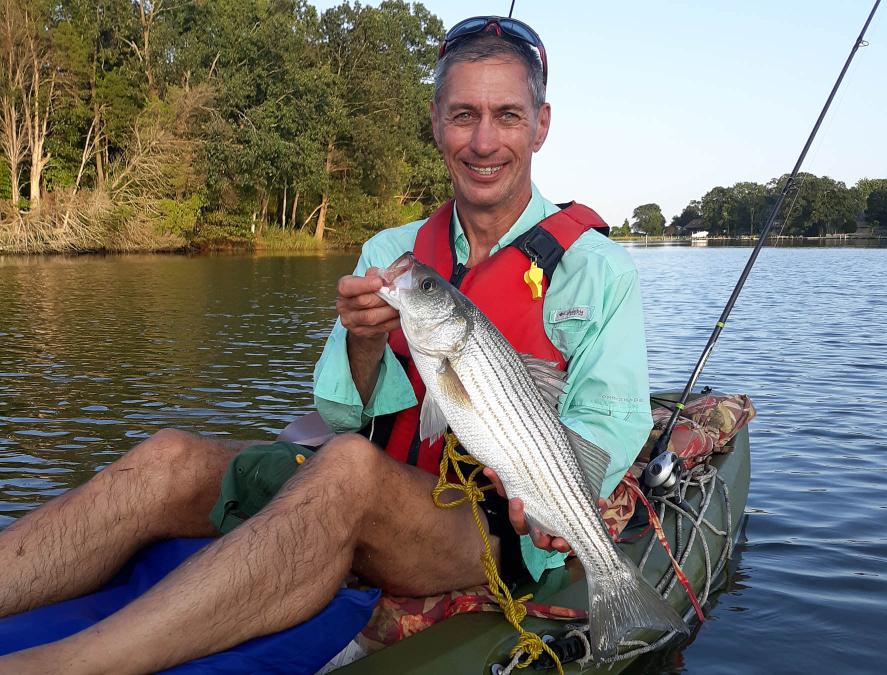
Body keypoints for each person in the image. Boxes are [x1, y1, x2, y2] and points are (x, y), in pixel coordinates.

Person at [0, 16, 651, 675]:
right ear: (435, 122)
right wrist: (364, 343)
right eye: (463, 115)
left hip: (497, 524)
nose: (484, 141)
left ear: (540, 124)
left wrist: (555, 500)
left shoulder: (601, 272)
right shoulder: (390, 255)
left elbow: (606, 423)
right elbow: (347, 415)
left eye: (507, 115)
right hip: (385, 481)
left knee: (344, 467)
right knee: (167, 457)